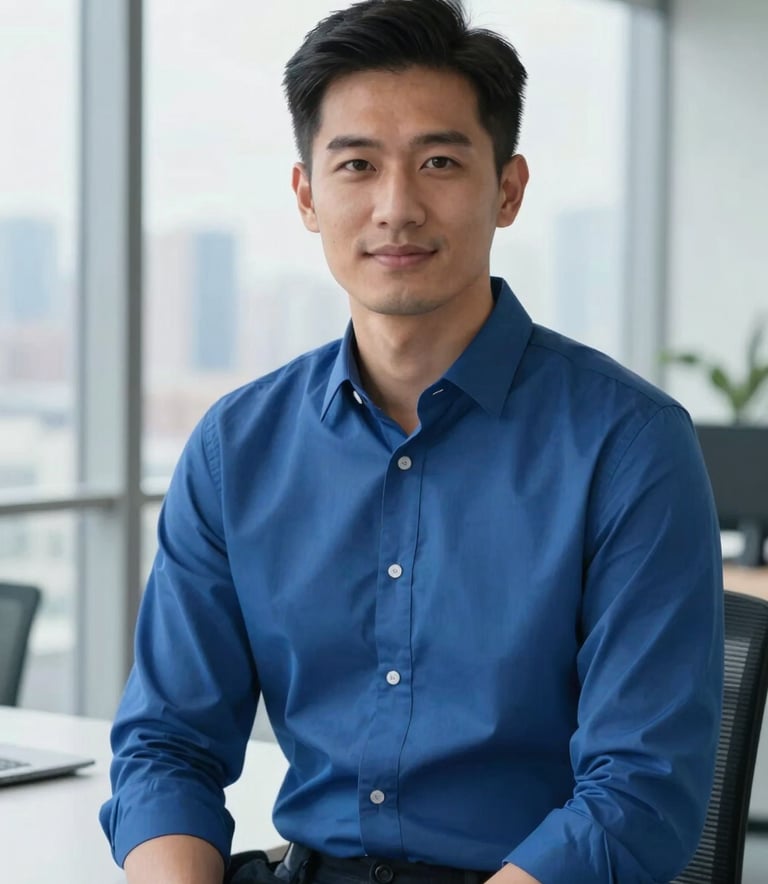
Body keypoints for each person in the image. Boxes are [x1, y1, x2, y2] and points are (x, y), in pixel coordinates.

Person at [100, 1, 724, 882]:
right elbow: (167, 746)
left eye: (439, 162)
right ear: (307, 195)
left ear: (507, 189)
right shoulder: (235, 447)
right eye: (357, 164)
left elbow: (639, 793)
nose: (396, 207)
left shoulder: (629, 445)